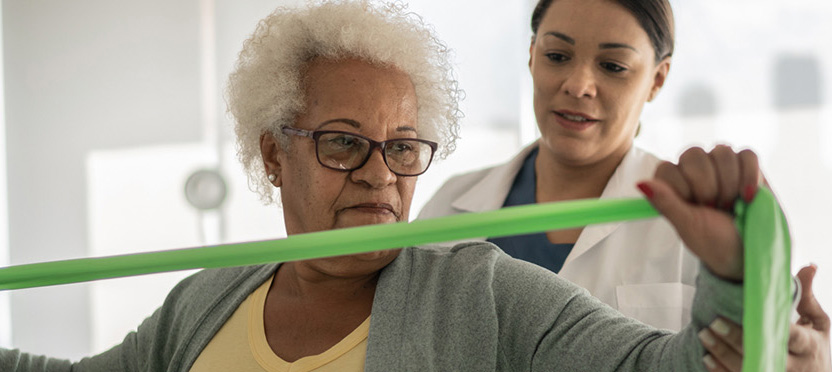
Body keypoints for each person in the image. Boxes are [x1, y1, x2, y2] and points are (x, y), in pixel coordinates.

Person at [0, 1, 813, 371]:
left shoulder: (482, 288)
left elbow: (662, 367)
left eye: (403, 148)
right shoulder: (202, 302)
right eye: (346, 144)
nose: (382, 176)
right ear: (273, 154)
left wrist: (736, 282)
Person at [418, 0, 831, 370]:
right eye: (557, 55)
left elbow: (770, 353)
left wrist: (812, 362)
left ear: (657, 79)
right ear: (531, 57)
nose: (578, 85)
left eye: (613, 66)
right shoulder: (450, 205)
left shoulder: (705, 220)